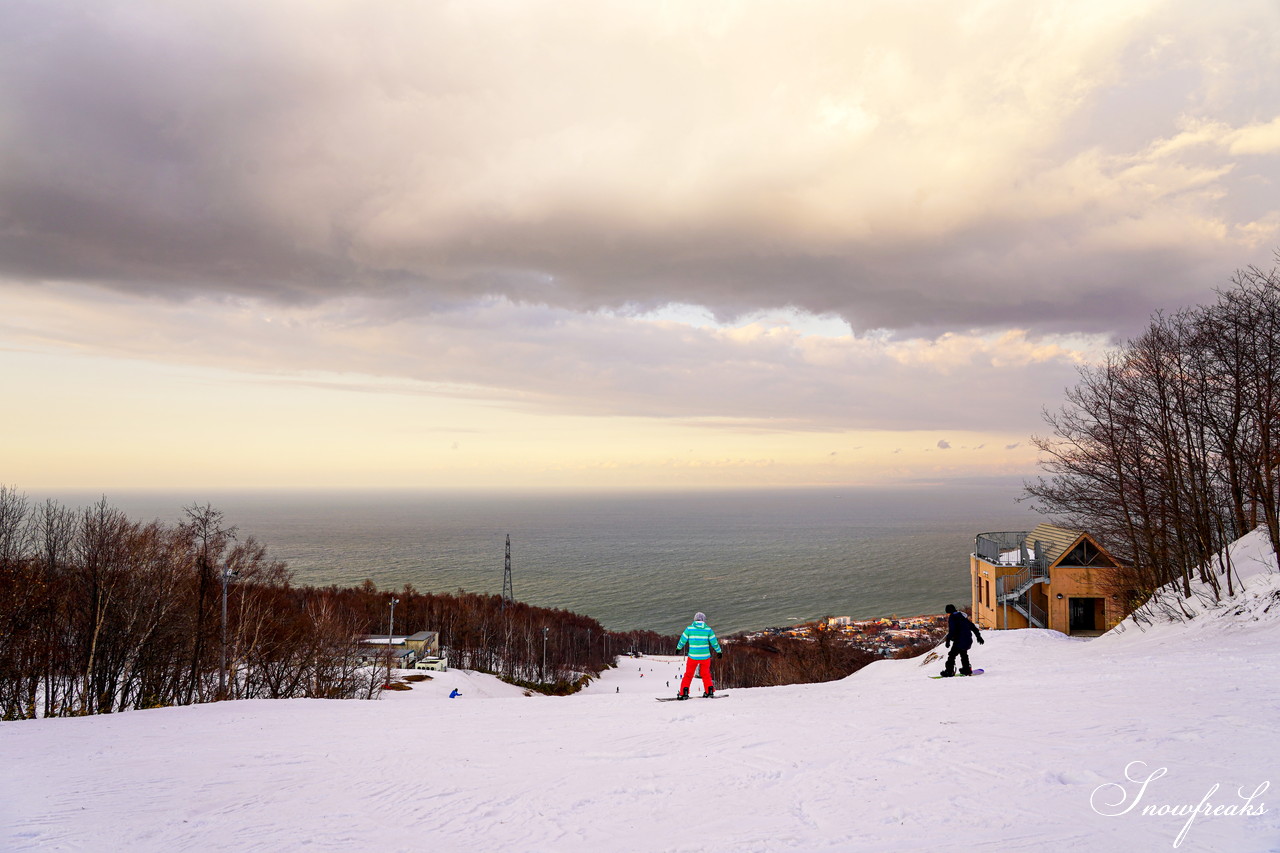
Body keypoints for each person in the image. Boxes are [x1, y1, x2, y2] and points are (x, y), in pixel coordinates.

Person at [675, 611, 722, 699]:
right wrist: (719, 651)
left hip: (693, 656)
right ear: (704, 620)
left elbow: (682, 640)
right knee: (706, 674)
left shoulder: (689, 629)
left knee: (688, 674)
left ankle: (684, 692)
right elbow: (714, 642)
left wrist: (678, 648)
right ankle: (709, 691)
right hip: (705, 657)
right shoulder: (708, 629)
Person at [941, 604, 983, 677]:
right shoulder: (962, 617)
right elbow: (973, 627)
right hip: (967, 639)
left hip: (959, 640)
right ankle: (966, 669)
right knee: (963, 654)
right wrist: (978, 637)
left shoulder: (953, 617)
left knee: (952, 655)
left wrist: (948, 640)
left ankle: (949, 671)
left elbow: (952, 630)